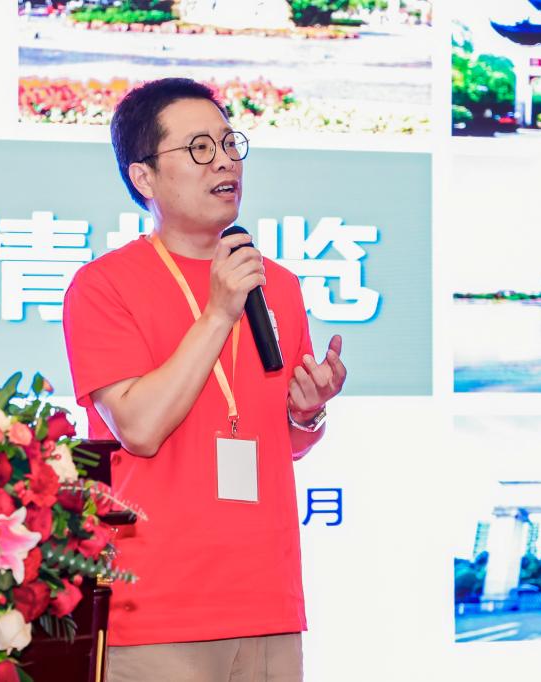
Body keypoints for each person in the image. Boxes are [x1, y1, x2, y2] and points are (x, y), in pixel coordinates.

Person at [62, 78, 347, 682]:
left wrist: (308, 412)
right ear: (143, 177)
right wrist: (218, 312)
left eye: (228, 142)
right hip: (156, 609)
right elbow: (139, 427)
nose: (224, 161)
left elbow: (284, 442)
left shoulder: (276, 284)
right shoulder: (104, 286)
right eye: (198, 148)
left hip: (268, 602)